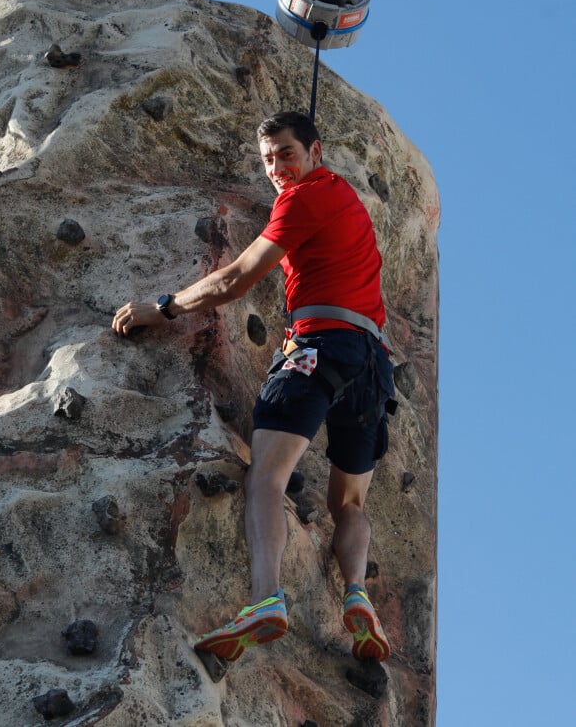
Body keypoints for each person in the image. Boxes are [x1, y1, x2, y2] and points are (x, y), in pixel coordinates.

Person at [112, 111, 395, 664]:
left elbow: (235, 278)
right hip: (373, 364)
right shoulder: (345, 199)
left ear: (316, 151)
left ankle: (266, 599)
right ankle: (357, 595)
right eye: (267, 159)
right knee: (350, 502)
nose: (276, 169)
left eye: (286, 154)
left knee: (266, 475)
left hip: (320, 347)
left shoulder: (303, 197)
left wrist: (162, 308)